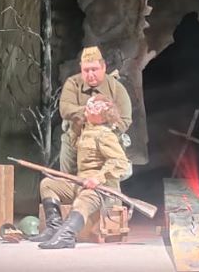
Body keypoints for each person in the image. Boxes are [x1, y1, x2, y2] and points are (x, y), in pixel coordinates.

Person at [30, 94, 130, 249]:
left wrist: (98, 178)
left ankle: (66, 236)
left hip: (101, 189)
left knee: (83, 201)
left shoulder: (105, 135)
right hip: (81, 183)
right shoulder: (86, 130)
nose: (89, 107)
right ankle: (54, 228)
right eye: (90, 105)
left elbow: (120, 162)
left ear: (103, 116)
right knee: (48, 184)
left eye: (95, 107)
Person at [58, 46, 132, 174]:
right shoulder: (73, 83)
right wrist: (88, 111)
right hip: (77, 136)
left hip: (106, 139)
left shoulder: (116, 88)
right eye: (86, 70)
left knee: (111, 166)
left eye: (94, 69)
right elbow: (65, 109)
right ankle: (68, 180)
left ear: (103, 67)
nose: (90, 75)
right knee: (67, 143)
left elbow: (125, 120)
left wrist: (103, 125)